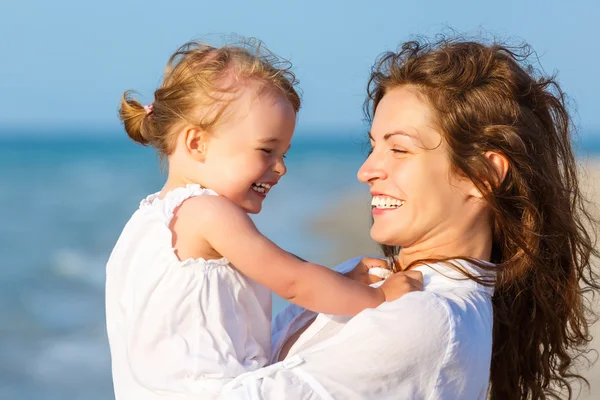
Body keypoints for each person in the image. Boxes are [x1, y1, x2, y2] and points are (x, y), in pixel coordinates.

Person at [220, 37, 600, 400]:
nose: (366, 171)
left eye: (399, 149)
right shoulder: (364, 276)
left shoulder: (430, 318)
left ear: (482, 176)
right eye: (373, 147)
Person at [104, 40, 422, 400]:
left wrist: (340, 281)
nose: (281, 167)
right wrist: (378, 297)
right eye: (266, 150)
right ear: (196, 143)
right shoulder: (209, 211)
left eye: (283, 153)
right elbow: (293, 281)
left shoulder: (145, 222)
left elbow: (283, 271)